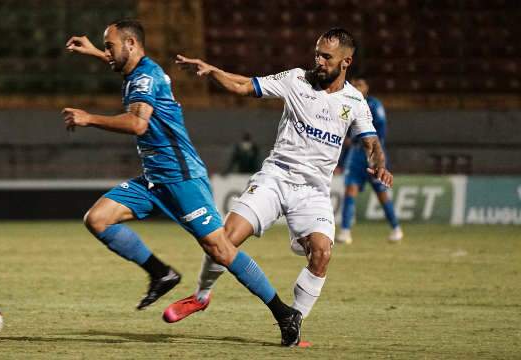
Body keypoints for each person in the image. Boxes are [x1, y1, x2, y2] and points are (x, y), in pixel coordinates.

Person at [62, 19, 302, 346]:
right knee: (98, 218)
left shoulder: (145, 77)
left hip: (181, 178)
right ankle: (161, 273)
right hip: (155, 179)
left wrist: (89, 118)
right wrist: (93, 50)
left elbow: (137, 124)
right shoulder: (137, 70)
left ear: (131, 44)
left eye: (110, 46)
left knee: (220, 249)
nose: (108, 52)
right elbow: (118, 65)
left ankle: (283, 312)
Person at [163, 28, 393, 340]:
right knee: (224, 239)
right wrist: (213, 71)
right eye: (317, 54)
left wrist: (378, 164)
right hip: (275, 177)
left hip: (313, 191)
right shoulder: (296, 79)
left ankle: (294, 322)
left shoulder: (354, 101)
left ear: (346, 61)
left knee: (322, 253)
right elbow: (246, 85)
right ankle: (201, 296)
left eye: (327, 57)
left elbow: (371, 143)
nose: (319, 61)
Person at [335, 75, 403, 244]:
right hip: (355, 155)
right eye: (355, 84)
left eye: (361, 84)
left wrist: (376, 156)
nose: (357, 87)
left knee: (381, 194)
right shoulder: (346, 103)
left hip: (371, 153)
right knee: (350, 190)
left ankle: (396, 228)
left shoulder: (374, 105)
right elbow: (342, 132)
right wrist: (341, 161)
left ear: (367, 87)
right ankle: (345, 231)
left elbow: (379, 133)